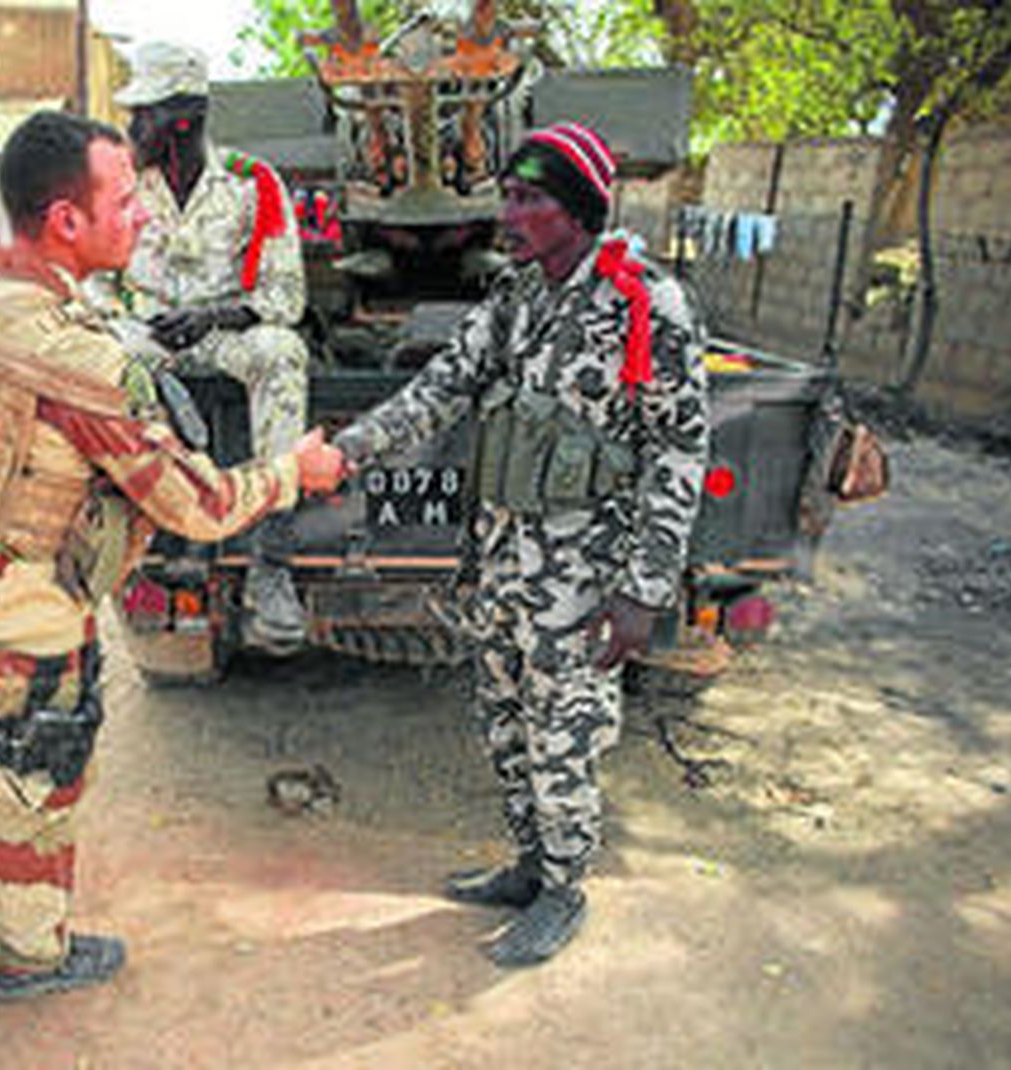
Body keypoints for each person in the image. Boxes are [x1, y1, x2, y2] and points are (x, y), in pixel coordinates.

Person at [0, 111, 344, 1014]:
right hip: (21, 624)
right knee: (35, 791)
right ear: (64, 222)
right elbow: (196, 507)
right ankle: (34, 960)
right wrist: (292, 472)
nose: (145, 218)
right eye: (123, 202)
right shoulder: (81, 365)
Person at [333, 122, 710, 967]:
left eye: (528, 198)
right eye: (506, 195)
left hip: (585, 572)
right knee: (504, 721)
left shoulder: (646, 303)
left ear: (577, 208)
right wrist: (348, 449)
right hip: (504, 560)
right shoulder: (516, 296)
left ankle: (566, 888)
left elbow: (678, 451)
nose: (508, 213)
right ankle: (529, 865)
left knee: (563, 735)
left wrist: (644, 589)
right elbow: (441, 388)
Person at [103, 41, 314, 650]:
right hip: (144, 337)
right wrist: (117, 321)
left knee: (281, 350)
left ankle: (271, 563)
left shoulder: (252, 184)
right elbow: (89, 282)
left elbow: (284, 296)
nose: (132, 126)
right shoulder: (119, 189)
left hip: (222, 335)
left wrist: (210, 316)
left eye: (144, 114)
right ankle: (144, 533)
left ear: (184, 120)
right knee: (105, 358)